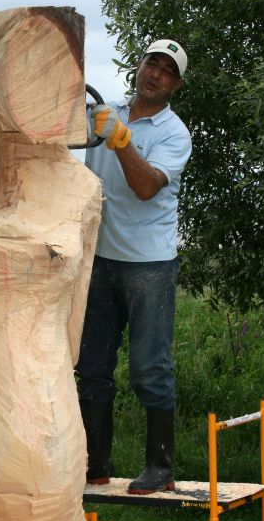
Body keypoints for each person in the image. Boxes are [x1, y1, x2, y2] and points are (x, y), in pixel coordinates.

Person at [76, 39, 192, 494]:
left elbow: (145, 187)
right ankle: (94, 464)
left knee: (150, 366)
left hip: (150, 265)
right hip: (100, 258)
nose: (155, 74)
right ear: (139, 66)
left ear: (175, 84)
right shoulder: (106, 113)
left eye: (166, 71)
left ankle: (160, 469)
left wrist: (120, 139)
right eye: (151, 63)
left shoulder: (173, 134)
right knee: (92, 365)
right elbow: (62, 137)